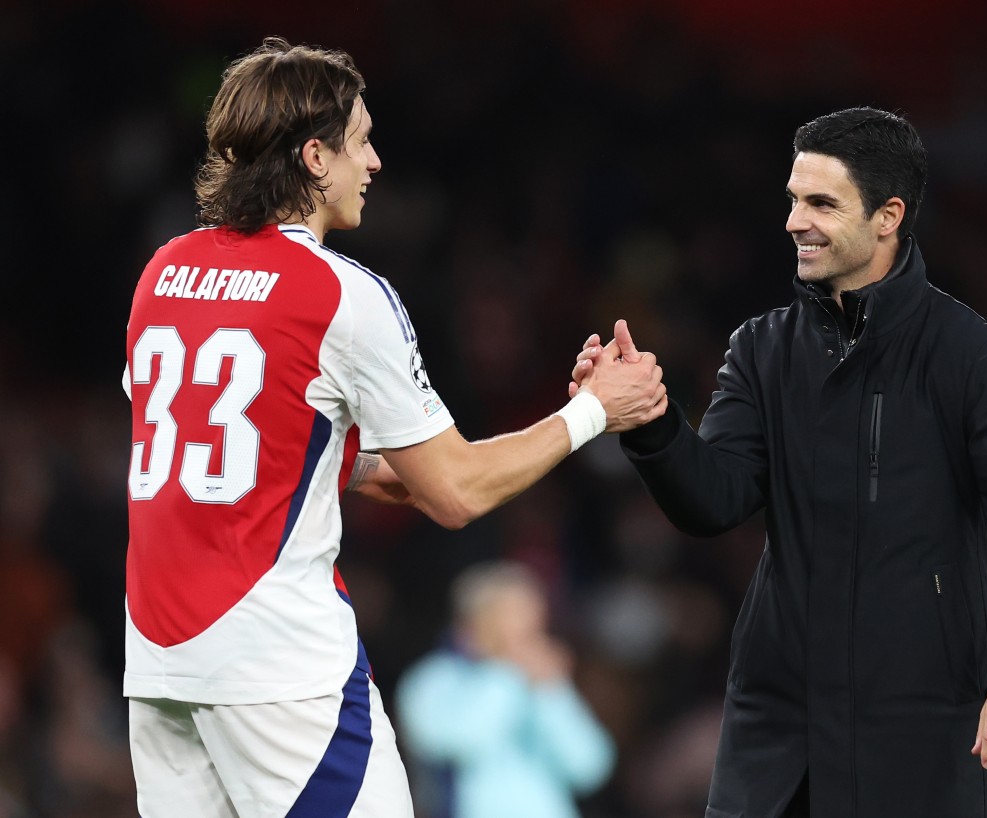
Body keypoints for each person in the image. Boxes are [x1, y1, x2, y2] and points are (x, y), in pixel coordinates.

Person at [122, 37, 665, 818]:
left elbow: (220, 448)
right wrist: (592, 413)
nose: (374, 162)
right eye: (361, 141)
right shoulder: (339, 294)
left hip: (159, 667)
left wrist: (369, 471)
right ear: (315, 157)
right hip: (282, 672)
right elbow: (456, 494)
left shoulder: (162, 273)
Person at [570, 107, 987, 818]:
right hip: (779, 731)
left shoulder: (969, 354)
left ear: (887, 216)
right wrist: (652, 423)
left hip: (921, 731)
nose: (793, 221)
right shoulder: (761, 348)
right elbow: (716, 500)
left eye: (820, 202)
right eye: (792, 199)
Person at [396, 561, 615, 818]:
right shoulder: (432, 680)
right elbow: (462, 739)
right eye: (513, 617)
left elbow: (589, 767)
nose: (528, 633)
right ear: (475, 621)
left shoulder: (540, 680)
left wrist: (553, 693)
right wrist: (507, 671)